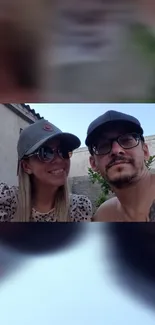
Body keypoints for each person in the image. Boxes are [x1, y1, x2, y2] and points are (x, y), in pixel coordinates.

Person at [0, 119, 92, 222]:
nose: (58, 159)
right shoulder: (5, 200)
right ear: (26, 166)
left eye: (64, 151)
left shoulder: (78, 207)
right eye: (45, 153)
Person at [85, 110, 155, 222]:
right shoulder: (104, 216)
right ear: (93, 163)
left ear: (145, 151)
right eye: (103, 145)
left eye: (127, 140)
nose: (116, 150)